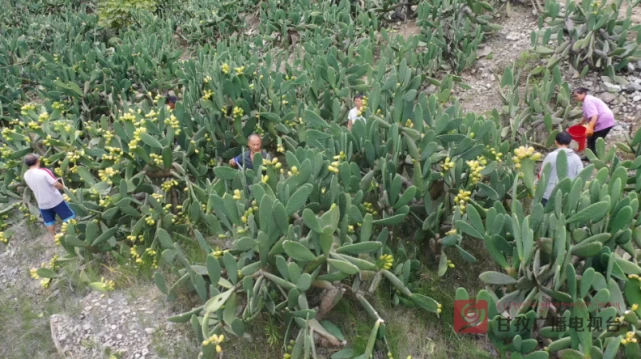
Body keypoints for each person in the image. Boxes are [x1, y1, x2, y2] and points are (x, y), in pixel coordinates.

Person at [23, 154, 75, 238]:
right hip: (55, 200)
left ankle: (54, 236)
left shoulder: (26, 175)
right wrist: (64, 188)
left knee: (49, 221)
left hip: (42, 202)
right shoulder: (44, 171)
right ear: (38, 161)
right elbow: (55, 184)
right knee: (68, 217)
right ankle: (74, 233)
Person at [537, 132, 584, 206]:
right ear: (569, 142)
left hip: (549, 194)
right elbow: (581, 177)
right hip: (567, 196)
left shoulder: (550, 156)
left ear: (555, 141)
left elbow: (542, 174)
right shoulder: (576, 158)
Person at [572, 87, 616, 158]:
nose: (575, 98)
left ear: (583, 93)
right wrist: (581, 123)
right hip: (605, 120)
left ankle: (598, 158)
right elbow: (587, 114)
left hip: (604, 121)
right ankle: (590, 156)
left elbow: (594, 116)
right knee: (590, 137)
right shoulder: (587, 100)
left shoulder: (588, 101)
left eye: (576, 95)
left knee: (597, 140)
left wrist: (590, 128)